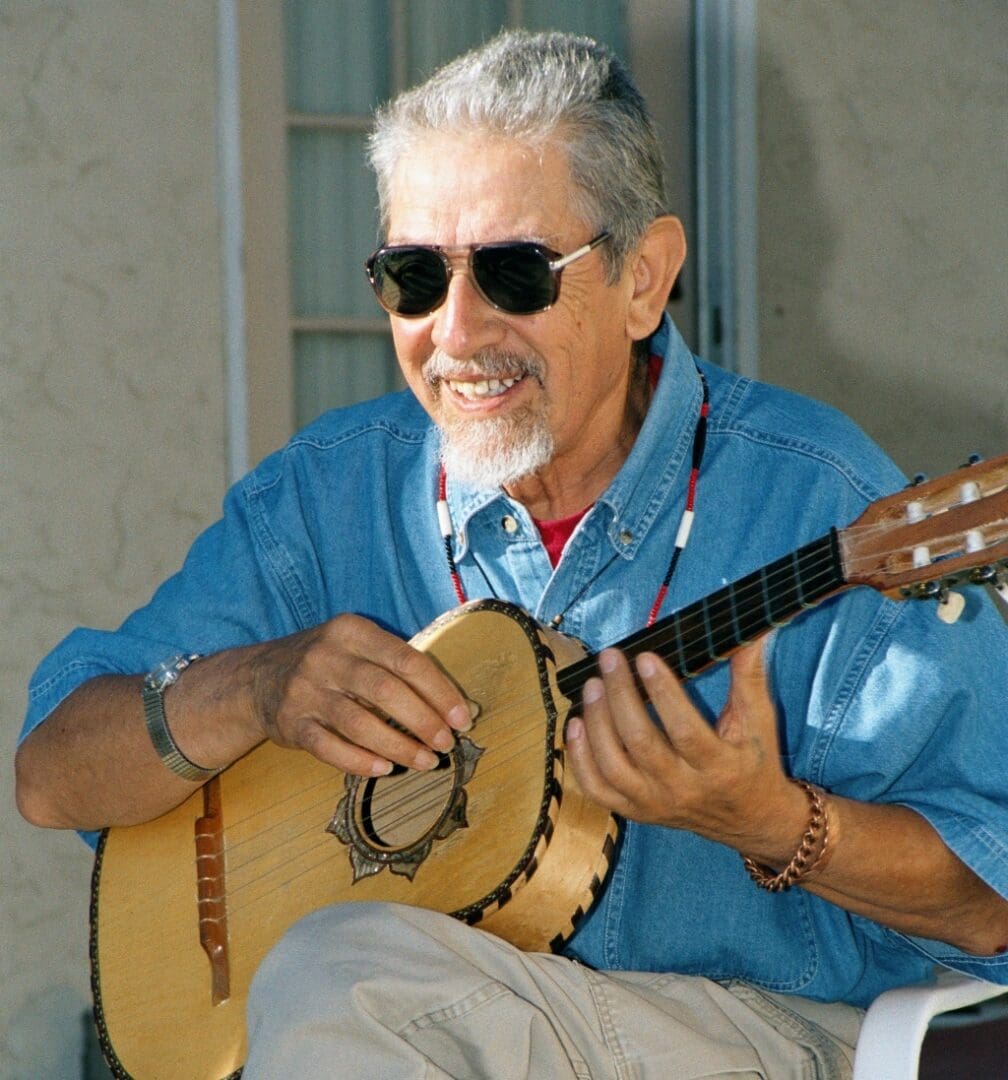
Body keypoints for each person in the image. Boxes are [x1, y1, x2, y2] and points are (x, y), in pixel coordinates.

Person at [16, 29, 1008, 1080]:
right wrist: (254, 688)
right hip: (430, 1025)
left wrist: (771, 823)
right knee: (349, 978)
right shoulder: (329, 493)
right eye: (413, 275)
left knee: (339, 974)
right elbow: (51, 776)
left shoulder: (824, 503)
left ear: (645, 277)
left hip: (771, 1033)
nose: (457, 330)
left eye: (515, 273)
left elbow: (993, 899)